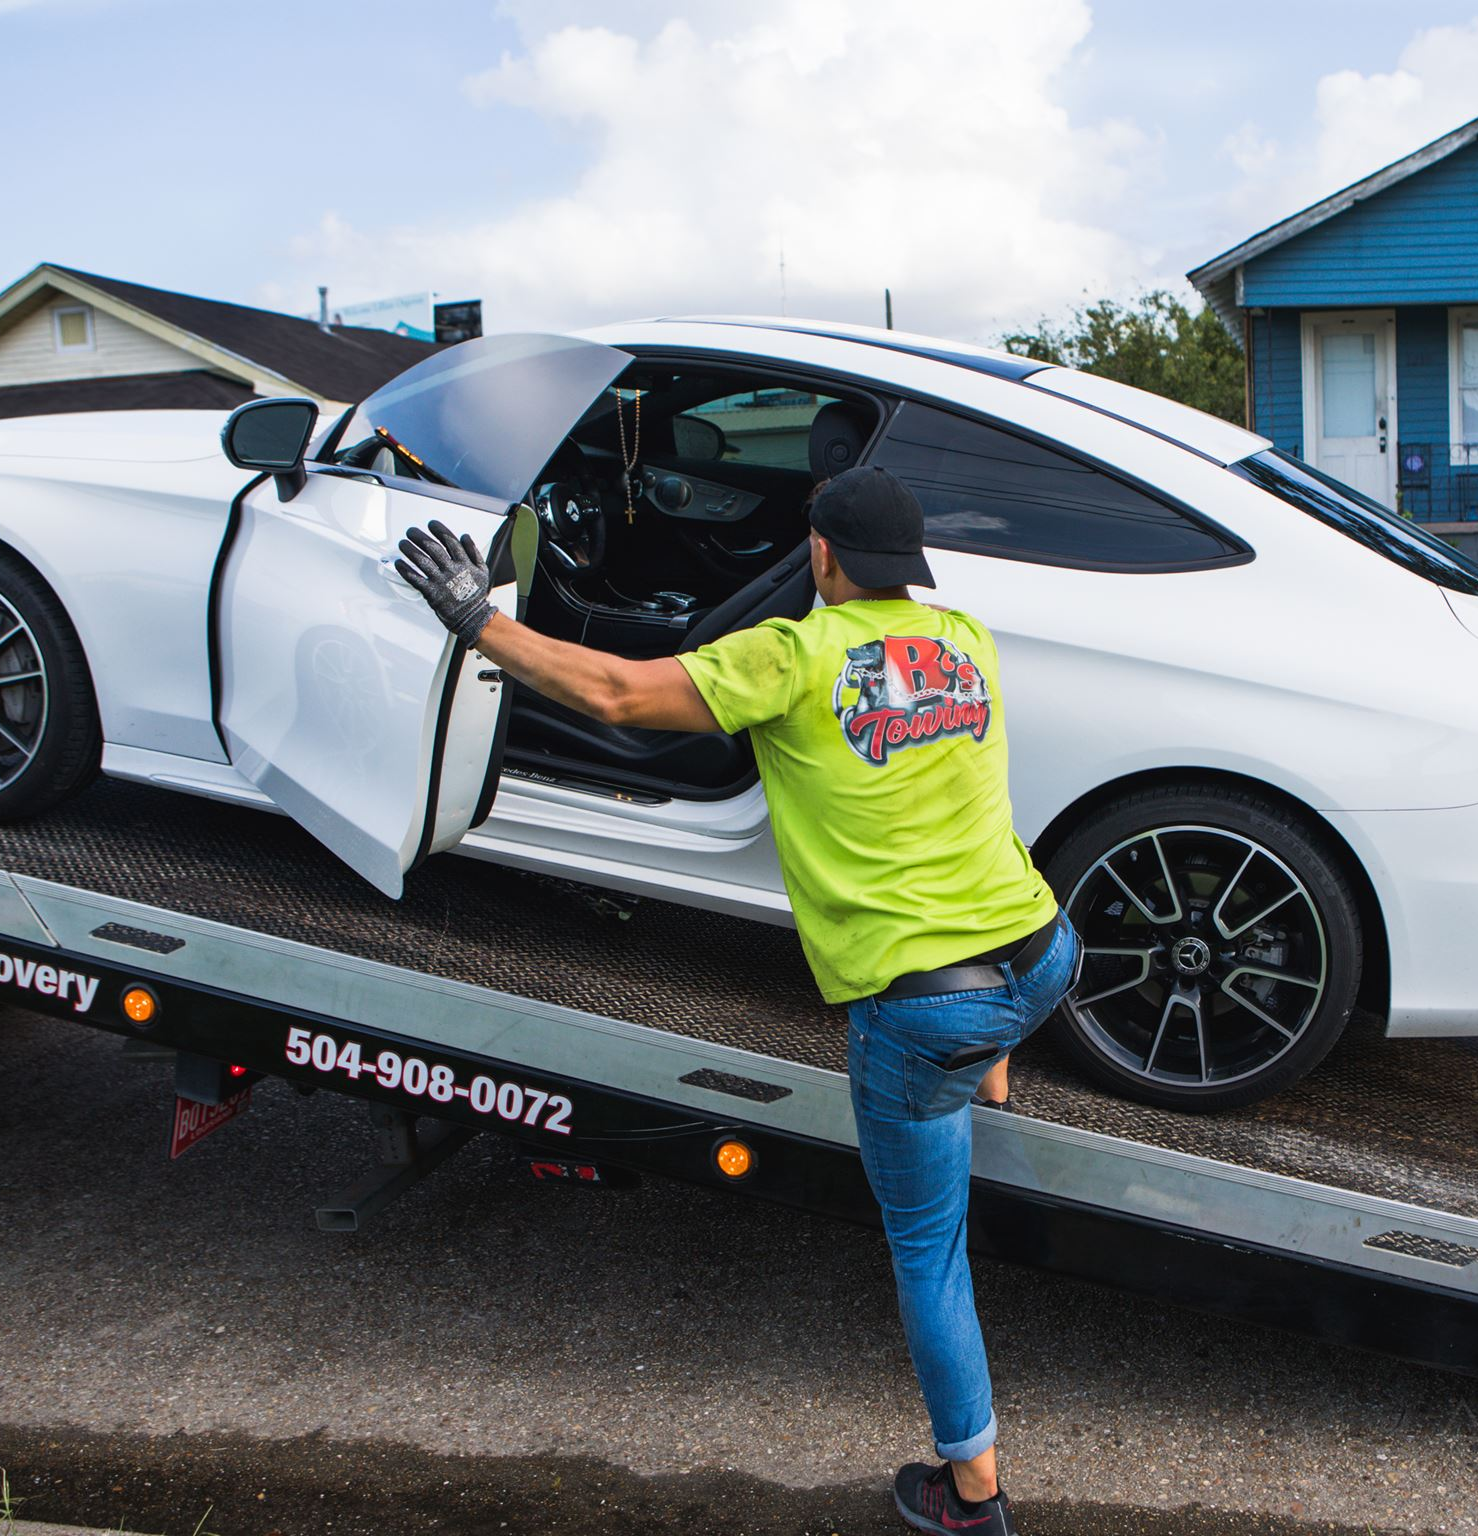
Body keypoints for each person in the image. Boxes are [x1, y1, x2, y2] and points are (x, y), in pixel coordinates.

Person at [392, 465, 1078, 1536]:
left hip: (921, 1005)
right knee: (982, 1025)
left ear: (819, 555)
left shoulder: (788, 658)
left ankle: (973, 1494)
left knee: (927, 1252)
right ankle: (987, 1063)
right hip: (1042, 957)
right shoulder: (967, 643)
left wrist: (476, 619)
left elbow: (616, 694)